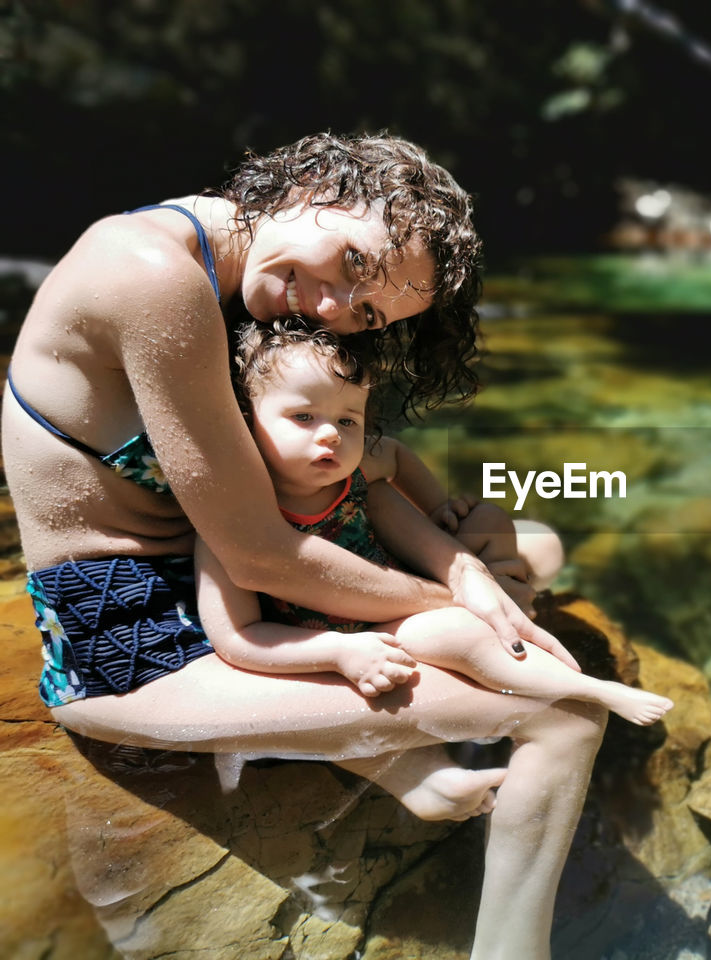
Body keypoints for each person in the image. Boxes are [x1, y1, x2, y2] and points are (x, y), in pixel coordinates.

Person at [1, 131, 606, 959]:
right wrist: (465, 595)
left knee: (533, 542)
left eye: (364, 313)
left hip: (249, 589)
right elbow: (260, 558)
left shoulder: (242, 282)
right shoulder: (151, 274)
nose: (327, 311)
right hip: (141, 649)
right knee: (565, 711)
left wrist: (463, 562)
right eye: (354, 263)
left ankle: (408, 771)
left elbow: (343, 481)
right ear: (315, 183)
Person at [197, 319, 674, 727]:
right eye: (303, 416)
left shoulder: (363, 488)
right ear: (244, 422)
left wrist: (439, 508)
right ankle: (590, 689)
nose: (330, 435)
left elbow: (434, 540)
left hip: (403, 595)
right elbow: (238, 639)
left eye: (348, 421)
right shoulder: (232, 525)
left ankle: (513, 605)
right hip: (362, 636)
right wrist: (336, 653)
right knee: (460, 633)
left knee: (487, 519)